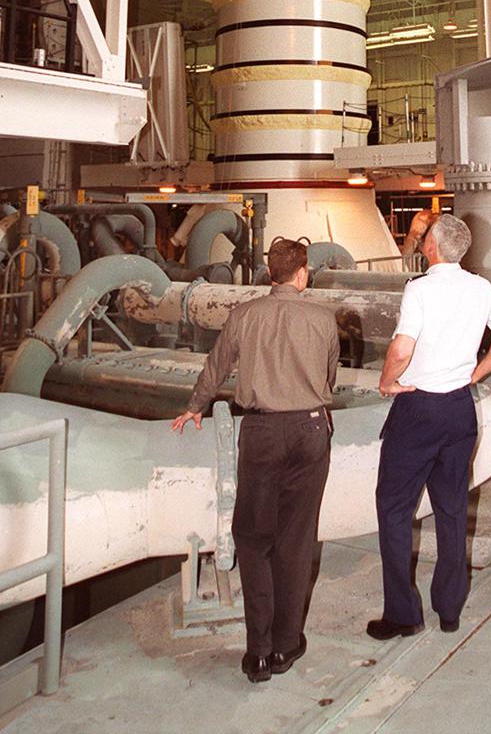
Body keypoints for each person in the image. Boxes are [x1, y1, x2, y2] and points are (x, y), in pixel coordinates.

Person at [172, 237, 339, 684]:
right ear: (302, 274)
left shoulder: (244, 315)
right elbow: (330, 378)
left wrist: (195, 406)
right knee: (296, 541)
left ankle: (258, 653)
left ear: (269, 274)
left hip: (261, 432)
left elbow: (216, 364)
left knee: (253, 538)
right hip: (309, 430)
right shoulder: (323, 319)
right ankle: (288, 644)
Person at [367, 213, 491, 639]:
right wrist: (476, 374)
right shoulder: (480, 287)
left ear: (431, 246)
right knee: (452, 509)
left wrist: (386, 381)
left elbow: (401, 347)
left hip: (418, 410)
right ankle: (449, 608)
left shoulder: (419, 289)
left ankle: (403, 613)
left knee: (394, 509)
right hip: (458, 410)